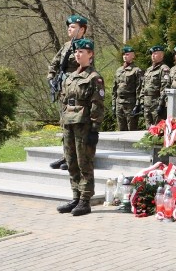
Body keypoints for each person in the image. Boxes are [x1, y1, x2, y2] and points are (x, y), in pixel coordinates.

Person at [56, 38, 104, 216]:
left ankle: (85, 200)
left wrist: (94, 128)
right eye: (76, 52)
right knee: (71, 161)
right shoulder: (70, 77)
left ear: (90, 54)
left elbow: (97, 105)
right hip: (68, 122)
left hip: (83, 124)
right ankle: (75, 196)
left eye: (81, 52)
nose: (77, 54)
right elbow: (63, 100)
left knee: (84, 162)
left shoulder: (94, 78)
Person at [47, 14, 88, 170]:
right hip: (64, 90)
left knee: (76, 124)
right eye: (69, 27)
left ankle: (77, 158)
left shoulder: (85, 46)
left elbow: (86, 68)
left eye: (73, 27)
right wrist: (51, 77)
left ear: (82, 29)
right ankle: (67, 156)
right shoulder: (65, 46)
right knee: (64, 124)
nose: (69, 29)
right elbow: (55, 63)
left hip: (77, 90)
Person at [113, 45, 143, 131]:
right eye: (124, 55)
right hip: (119, 103)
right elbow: (114, 88)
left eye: (127, 54)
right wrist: (113, 104)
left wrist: (138, 104)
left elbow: (139, 88)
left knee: (132, 129)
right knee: (121, 129)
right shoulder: (119, 70)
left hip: (130, 103)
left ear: (133, 56)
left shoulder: (136, 70)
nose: (125, 56)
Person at [140, 45, 170, 128]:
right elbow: (143, 86)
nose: (153, 55)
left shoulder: (164, 69)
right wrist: (141, 102)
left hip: (156, 103)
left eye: (156, 53)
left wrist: (161, 104)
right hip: (147, 103)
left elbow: (165, 87)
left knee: (158, 128)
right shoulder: (149, 70)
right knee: (148, 129)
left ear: (162, 55)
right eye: (152, 54)